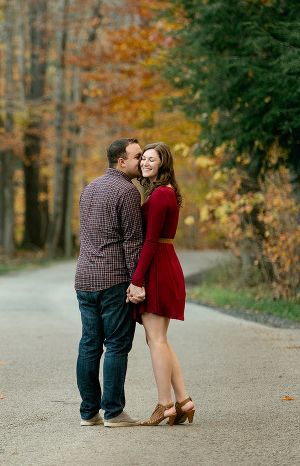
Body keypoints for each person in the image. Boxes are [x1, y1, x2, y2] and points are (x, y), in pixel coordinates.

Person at [75, 138, 146, 427]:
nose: (141, 162)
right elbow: (132, 242)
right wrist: (136, 282)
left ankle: (88, 413)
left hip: (84, 278)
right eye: (137, 156)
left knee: (90, 344)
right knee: (117, 344)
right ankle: (114, 412)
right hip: (113, 279)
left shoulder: (89, 188)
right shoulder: (128, 191)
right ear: (121, 162)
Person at [126, 141, 195, 426]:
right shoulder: (165, 193)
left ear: (163, 164)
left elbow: (151, 241)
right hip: (166, 263)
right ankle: (183, 401)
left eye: (151, 159)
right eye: (143, 159)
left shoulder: (157, 197)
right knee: (160, 340)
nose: (144, 163)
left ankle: (164, 403)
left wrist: (136, 280)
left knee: (156, 341)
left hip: (157, 267)